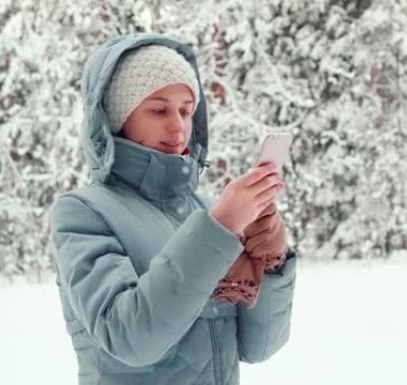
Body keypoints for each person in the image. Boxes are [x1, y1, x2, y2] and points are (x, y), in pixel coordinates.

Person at [50, 33, 298, 385]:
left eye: (186, 110)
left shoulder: (206, 212)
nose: (178, 126)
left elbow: (259, 347)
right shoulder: (83, 213)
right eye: (158, 109)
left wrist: (272, 262)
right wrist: (218, 230)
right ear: (119, 117)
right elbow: (129, 337)